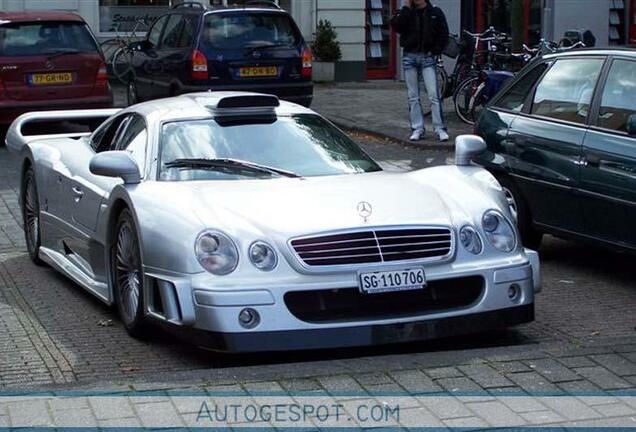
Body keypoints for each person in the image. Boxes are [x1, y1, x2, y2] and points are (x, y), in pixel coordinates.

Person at [391, 0, 449, 142]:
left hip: (427, 57)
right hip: (409, 57)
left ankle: (439, 128)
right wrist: (405, 7)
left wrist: (435, 50)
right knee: (413, 96)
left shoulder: (435, 12)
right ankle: (417, 129)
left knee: (434, 94)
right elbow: (396, 26)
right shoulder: (407, 12)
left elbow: (443, 34)